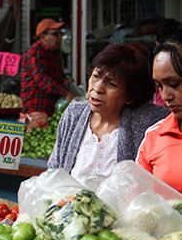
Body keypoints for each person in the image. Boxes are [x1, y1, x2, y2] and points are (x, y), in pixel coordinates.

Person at [48, 43, 169, 186]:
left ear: (130, 96)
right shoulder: (74, 114)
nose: (97, 88)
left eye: (111, 83)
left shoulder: (148, 123)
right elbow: (54, 170)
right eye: (95, 76)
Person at [136, 39, 182, 193]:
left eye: (174, 84)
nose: (165, 96)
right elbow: (140, 200)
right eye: (159, 86)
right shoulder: (154, 137)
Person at [19, 18, 76, 130]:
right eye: (55, 34)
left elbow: (58, 77)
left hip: (49, 109)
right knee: (34, 142)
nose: (60, 37)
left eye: (60, 34)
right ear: (43, 37)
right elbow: (41, 79)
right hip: (35, 109)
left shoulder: (55, 54)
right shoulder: (35, 52)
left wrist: (67, 83)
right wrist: (65, 93)